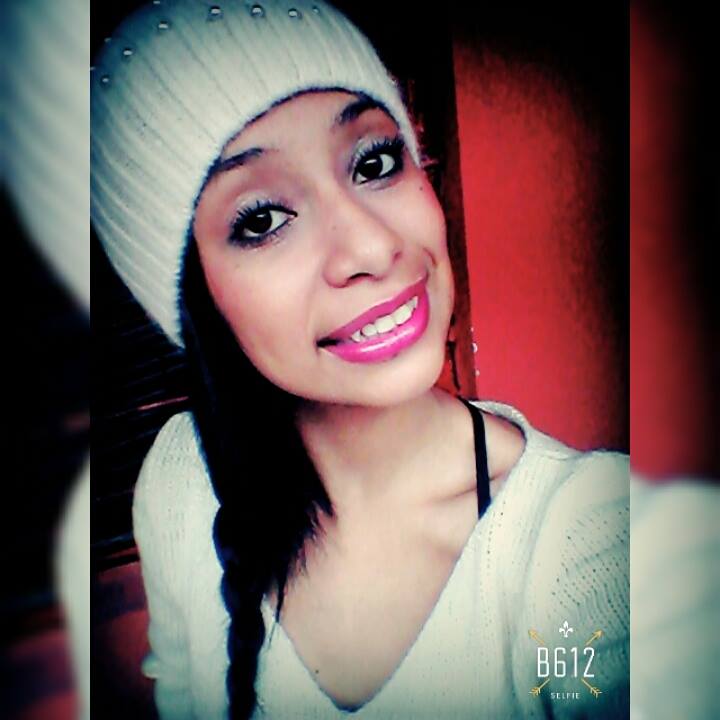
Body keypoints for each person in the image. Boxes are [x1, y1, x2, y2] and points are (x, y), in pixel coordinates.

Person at [91, 1, 629, 718]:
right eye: (262, 219)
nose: (373, 247)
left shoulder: (596, 546)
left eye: (374, 163)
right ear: (197, 299)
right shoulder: (184, 478)